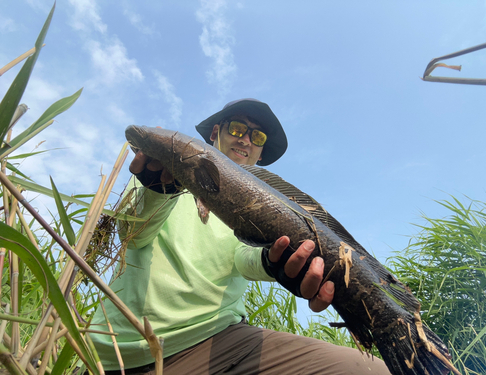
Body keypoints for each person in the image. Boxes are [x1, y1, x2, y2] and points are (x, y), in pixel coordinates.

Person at [91, 99, 390, 374]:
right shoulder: (158, 175)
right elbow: (133, 234)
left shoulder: (263, 204)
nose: (246, 139)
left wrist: (275, 262)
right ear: (215, 133)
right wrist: (157, 188)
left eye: (257, 137)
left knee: (370, 371)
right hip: (120, 350)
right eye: (238, 128)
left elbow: (245, 257)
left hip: (217, 341)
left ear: (260, 154)